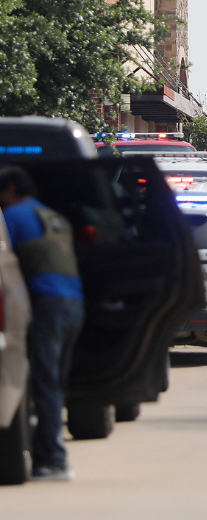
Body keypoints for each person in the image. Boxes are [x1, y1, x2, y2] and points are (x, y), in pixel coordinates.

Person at [0, 166, 84, 481]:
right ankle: (46, 454)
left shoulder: (13, 217)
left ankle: (55, 460)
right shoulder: (52, 216)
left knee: (44, 385)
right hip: (73, 305)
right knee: (54, 385)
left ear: (10, 191)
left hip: (47, 306)